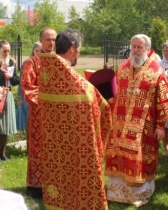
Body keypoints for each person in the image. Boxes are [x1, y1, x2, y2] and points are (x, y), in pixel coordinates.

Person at [38, 29, 113, 209]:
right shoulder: (80, 85)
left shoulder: (48, 73)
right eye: (79, 50)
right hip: (78, 147)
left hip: (54, 145)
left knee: (59, 178)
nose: (78, 53)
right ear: (72, 48)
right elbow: (102, 110)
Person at [105, 34, 168, 207]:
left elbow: (164, 101)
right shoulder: (123, 68)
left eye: (140, 47)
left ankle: (139, 193)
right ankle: (117, 191)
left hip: (144, 127)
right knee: (118, 156)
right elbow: (114, 94)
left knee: (141, 159)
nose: (136, 50)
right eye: (133, 46)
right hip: (120, 125)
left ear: (147, 49)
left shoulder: (156, 71)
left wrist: (161, 126)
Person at [21, 27, 57, 198]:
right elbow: (27, 87)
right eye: (48, 39)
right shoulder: (32, 63)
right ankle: (37, 187)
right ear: (40, 40)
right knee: (38, 148)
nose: (51, 43)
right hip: (40, 116)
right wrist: (47, 103)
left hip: (58, 115)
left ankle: (55, 184)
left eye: (54, 40)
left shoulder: (59, 61)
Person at [0, 40, 20, 162]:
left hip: (8, 94)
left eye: (9, 50)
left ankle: (3, 153)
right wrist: (0, 71)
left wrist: (11, 77)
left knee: (6, 125)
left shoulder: (12, 61)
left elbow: (16, 80)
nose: (7, 53)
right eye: (4, 50)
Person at [16, 43, 41, 131]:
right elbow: (22, 81)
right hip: (29, 95)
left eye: (40, 51)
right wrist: (20, 97)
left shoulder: (47, 64)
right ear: (33, 51)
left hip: (42, 96)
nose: (38, 53)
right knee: (29, 120)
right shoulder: (28, 63)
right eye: (36, 50)